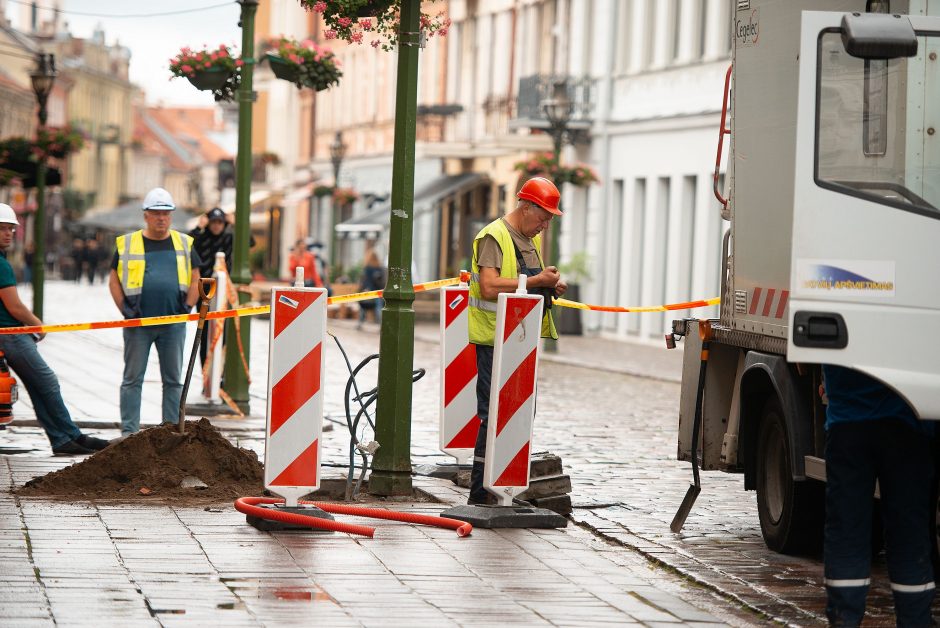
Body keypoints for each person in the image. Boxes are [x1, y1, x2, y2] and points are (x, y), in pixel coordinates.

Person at [466, 177, 566, 505]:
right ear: (526, 207)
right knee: (493, 413)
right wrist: (537, 279)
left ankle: (506, 488)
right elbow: (489, 287)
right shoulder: (495, 236)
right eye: (543, 217)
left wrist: (546, 286)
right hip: (495, 338)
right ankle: (482, 493)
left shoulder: (525, 238)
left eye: (550, 219)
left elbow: (522, 284)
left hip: (518, 342)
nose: (545, 225)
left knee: (519, 413)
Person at [821, 366, 936, 627]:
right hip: (909, 422)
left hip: (847, 423)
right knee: (909, 534)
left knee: (847, 531)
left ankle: (844, 619)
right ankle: (915, 621)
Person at [0, 204, 110, 455]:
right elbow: (14, 306)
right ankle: (66, 437)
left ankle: (67, 436)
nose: (8, 234)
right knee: (46, 382)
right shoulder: (2, 265)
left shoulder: (3, 261)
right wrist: (36, 323)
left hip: (9, 333)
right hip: (10, 334)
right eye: (3, 229)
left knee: (38, 386)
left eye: (10, 229)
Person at [108, 188, 200, 436]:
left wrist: (187, 307)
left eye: (166, 213)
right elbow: (114, 279)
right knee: (132, 379)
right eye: (156, 213)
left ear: (171, 216)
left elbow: (195, 278)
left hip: (173, 324)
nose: (162, 218)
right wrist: (126, 310)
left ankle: (169, 430)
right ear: (146, 215)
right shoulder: (127, 244)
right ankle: (129, 433)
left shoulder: (184, 243)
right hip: (138, 324)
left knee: (173, 381)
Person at [187, 207, 253, 365]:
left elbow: (249, 242)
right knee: (204, 333)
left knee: (223, 332)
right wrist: (198, 228)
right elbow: (185, 245)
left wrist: (237, 225)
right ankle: (206, 375)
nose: (217, 226)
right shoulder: (201, 238)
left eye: (220, 222)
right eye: (213, 222)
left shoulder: (229, 238)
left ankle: (219, 375)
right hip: (203, 290)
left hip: (223, 290)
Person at [356, 248, 385, 329]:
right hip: (377, 291)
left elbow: (363, 280)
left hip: (367, 290)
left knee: (363, 307)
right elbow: (382, 281)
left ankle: (360, 324)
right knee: (378, 308)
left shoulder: (367, 268)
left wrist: (360, 290)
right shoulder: (379, 268)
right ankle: (381, 325)